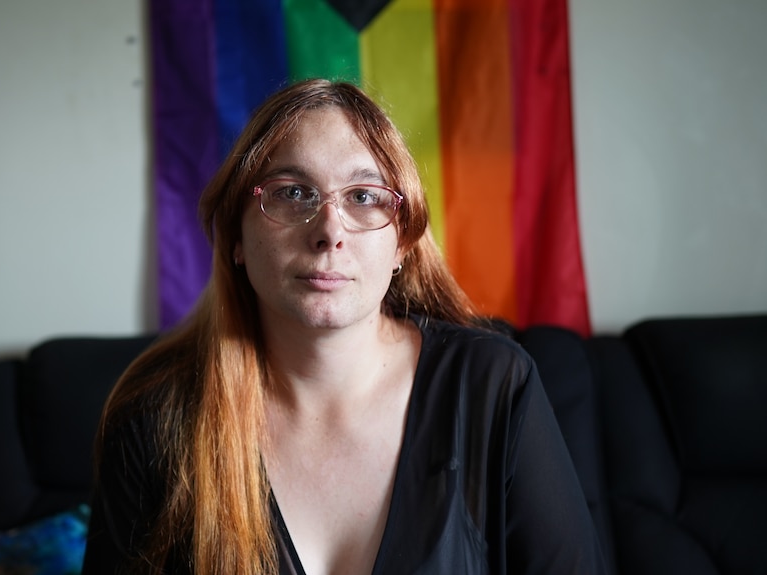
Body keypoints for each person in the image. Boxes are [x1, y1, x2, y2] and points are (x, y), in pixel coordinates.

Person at [82, 78, 607, 575]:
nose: (330, 231)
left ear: (401, 243)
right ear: (236, 236)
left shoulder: (493, 386)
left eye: (363, 196)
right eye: (291, 192)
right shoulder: (153, 418)